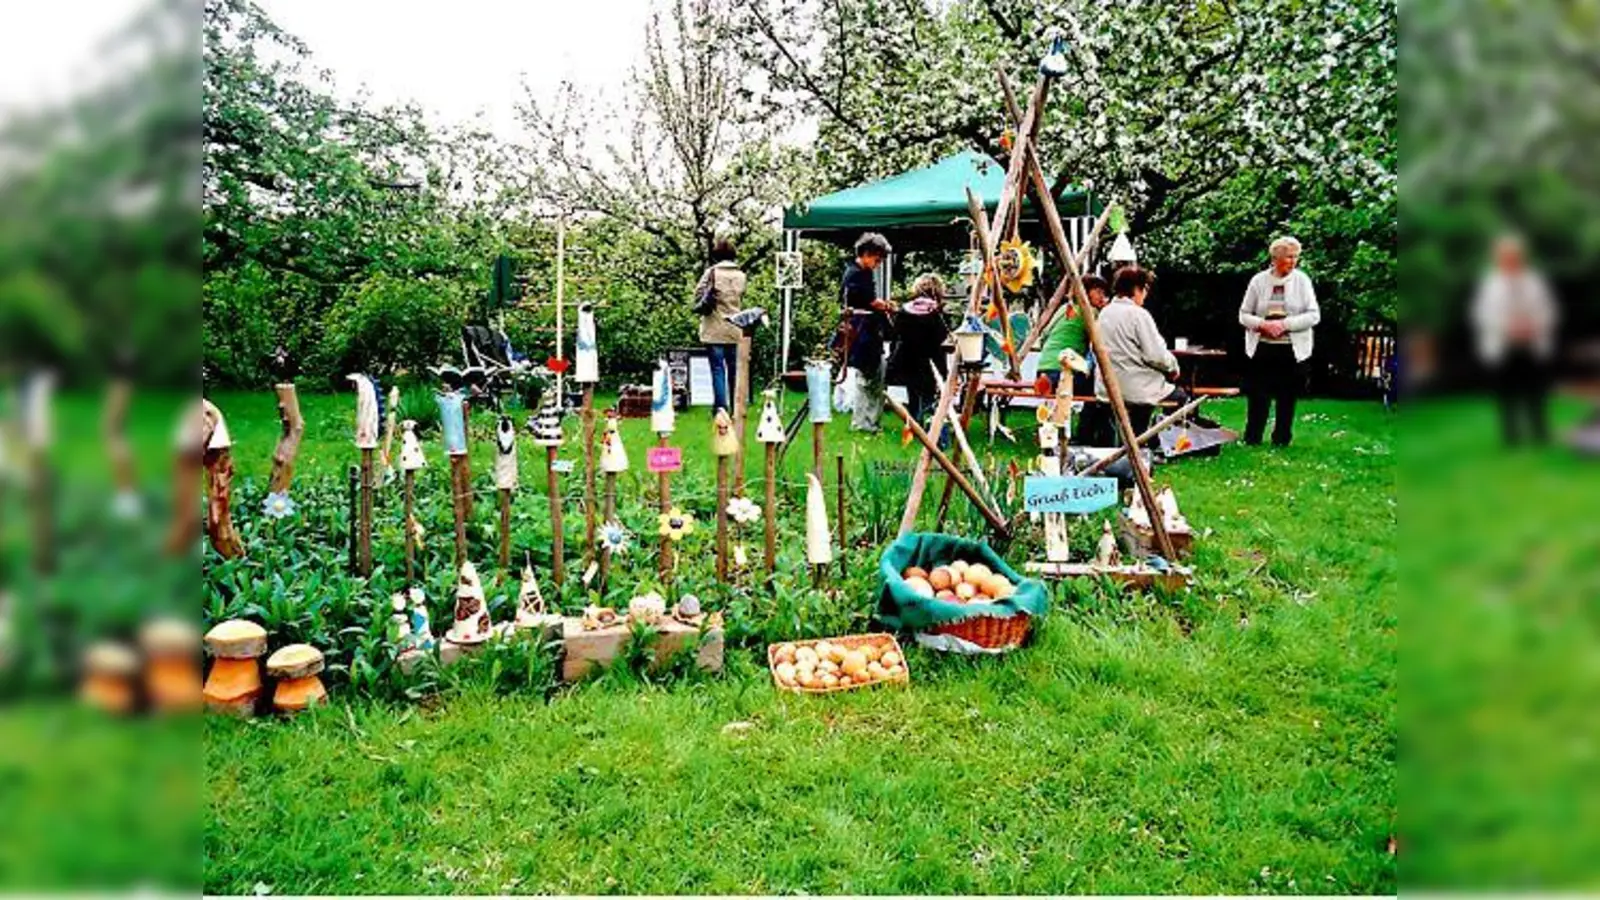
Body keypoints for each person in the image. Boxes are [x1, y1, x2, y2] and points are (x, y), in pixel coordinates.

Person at [1472, 234, 1559, 446]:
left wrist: (1533, 326)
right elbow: (1482, 315)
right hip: (1504, 346)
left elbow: (1548, 310)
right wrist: (1508, 328)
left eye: (1514, 256)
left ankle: (1540, 434)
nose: (1511, 260)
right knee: (1506, 394)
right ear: (1499, 258)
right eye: (1506, 256)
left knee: (1536, 392)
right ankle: (1511, 437)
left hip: (1531, 344)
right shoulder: (1490, 284)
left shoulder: (1535, 282)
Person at [1239, 236, 1320, 447]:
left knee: (1287, 395)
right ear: (1275, 259)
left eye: (1295, 257)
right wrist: (1263, 324)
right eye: (1288, 257)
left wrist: (1285, 325)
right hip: (1262, 347)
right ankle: (1252, 437)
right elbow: (1244, 314)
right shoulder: (1258, 281)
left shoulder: (1302, 281)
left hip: (1291, 349)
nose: (1293, 261)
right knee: (1258, 395)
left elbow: (1313, 316)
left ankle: (1282, 439)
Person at [1094, 265, 1184, 437]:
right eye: (1145, 289)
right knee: (1179, 396)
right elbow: (1155, 355)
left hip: (1108, 386)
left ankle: (1139, 440)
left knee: (1143, 397)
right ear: (1137, 289)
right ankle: (1166, 442)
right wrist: (1173, 367)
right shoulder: (1138, 315)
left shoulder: (1104, 314)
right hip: (1135, 386)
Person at [840, 232, 895, 432]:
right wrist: (887, 306)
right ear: (866, 253)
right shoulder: (857, 274)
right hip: (864, 332)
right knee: (871, 378)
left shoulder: (857, 271)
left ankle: (864, 421)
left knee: (868, 378)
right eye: (877, 259)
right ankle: (867, 423)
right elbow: (870, 301)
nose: (878, 264)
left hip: (865, 331)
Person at [886, 273, 951, 421]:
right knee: (929, 392)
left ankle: (914, 422)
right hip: (931, 358)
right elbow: (942, 337)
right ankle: (928, 423)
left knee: (913, 392)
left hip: (907, 357)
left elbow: (896, 335)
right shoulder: (937, 313)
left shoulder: (905, 310)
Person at [695, 238, 747, 413]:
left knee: (717, 370)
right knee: (734, 370)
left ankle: (720, 407)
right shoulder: (741, 275)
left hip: (714, 328)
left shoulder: (711, 273)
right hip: (735, 328)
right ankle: (735, 406)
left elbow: (698, 295)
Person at [1037, 273, 1109, 396]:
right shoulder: (1089, 312)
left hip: (1043, 367)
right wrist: (1106, 311)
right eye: (1098, 292)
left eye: (1104, 293)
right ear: (1085, 292)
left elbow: (1044, 336)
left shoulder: (1064, 308)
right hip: (1064, 370)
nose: (1102, 297)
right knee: (1100, 392)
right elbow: (1100, 342)